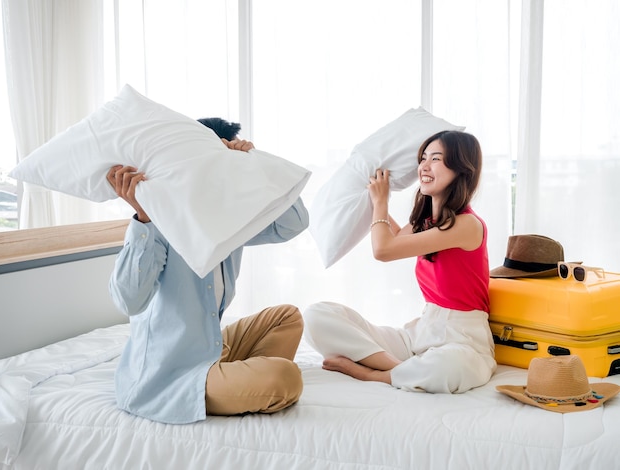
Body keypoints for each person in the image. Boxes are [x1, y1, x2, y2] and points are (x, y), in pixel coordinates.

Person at [107, 117, 309, 424]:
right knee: (285, 376)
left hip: (210, 346)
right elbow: (128, 301)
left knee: (287, 317)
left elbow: (292, 224)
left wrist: (253, 167)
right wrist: (143, 217)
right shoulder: (157, 220)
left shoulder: (228, 217)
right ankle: (234, 384)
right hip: (169, 375)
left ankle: (232, 382)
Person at [303, 130, 496, 394]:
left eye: (436, 159)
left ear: (461, 169)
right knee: (316, 316)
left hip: (463, 339)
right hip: (419, 334)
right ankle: (404, 369)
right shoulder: (429, 222)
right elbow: (392, 237)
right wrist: (373, 200)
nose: (424, 166)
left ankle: (373, 373)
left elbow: (383, 249)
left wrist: (382, 201)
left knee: (450, 366)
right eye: (423, 158)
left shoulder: (467, 224)